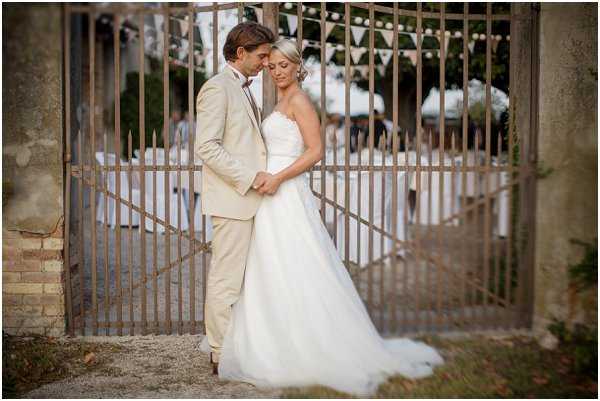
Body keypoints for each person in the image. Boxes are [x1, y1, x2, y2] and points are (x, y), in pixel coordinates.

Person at [199, 38, 444, 397]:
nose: (277, 71)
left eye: (284, 65)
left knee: (297, 265)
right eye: (272, 65)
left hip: (284, 192)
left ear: (298, 67)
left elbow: (315, 151)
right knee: (266, 268)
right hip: (264, 196)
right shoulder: (274, 99)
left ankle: (307, 342)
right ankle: (266, 336)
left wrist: (278, 177)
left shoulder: (299, 101)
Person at [194, 21, 275, 376]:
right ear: (240, 53)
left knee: (245, 278)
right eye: (261, 56)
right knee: (226, 278)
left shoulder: (242, 88)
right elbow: (206, 147)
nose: (265, 63)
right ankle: (219, 352)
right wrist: (249, 176)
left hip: (249, 200)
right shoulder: (217, 88)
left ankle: (239, 343)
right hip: (232, 199)